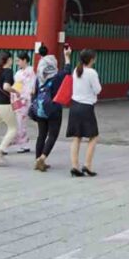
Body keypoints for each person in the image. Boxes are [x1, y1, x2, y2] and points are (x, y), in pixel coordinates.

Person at [29, 47, 70, 172]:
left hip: (40, 108)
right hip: (54, 109)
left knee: (41, 134)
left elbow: (34, 92)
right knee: (52, 134)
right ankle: (42, 158)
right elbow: (67, 70)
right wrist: (67, 56)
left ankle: (37, 160)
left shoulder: (39, 78)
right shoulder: (57, 77)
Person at [69, 49, 101, 177]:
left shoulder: (76, 70)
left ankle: (74, 166)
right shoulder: (92, 73)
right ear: (91, 59)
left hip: (74, 105)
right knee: (93, 136)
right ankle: (87, 165)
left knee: (77, 137)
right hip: (87, 106)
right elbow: (97, 90)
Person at [10, 52, 36, 154]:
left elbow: (31, 87)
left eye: (19, 60)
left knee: (21, 122)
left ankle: (22, 144)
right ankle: (23, 144)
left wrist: (24, 96)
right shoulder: (19, 73)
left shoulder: (31, 72)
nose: (17, 63)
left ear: (25, 60)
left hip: (25, 99)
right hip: (17, 99)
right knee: (18, 122)